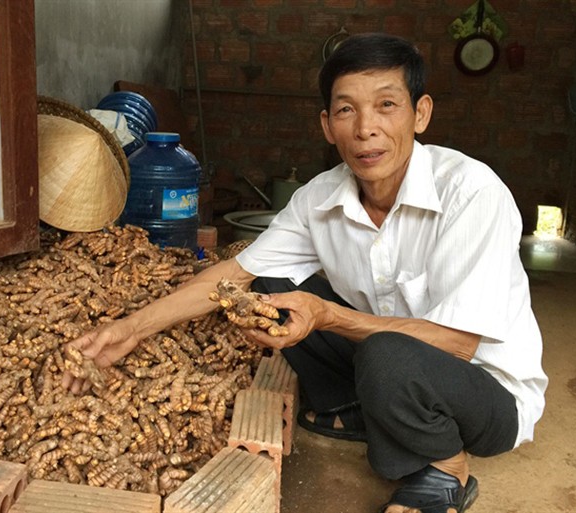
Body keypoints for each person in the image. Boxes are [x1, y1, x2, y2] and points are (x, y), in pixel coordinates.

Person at [63, 33, 547, 513]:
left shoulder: (471, 193)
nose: (365, 129)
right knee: (272, 286)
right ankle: (361, 409)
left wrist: (328, 316)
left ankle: (447, 469)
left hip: (485, 394)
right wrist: (130, 329)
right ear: (326, 124)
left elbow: (459, 344)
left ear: (420, 113)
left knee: (386, 354)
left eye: (386, 106)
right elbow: (232, 275)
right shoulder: (319, 198)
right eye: (346, 110)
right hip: (390, 360)